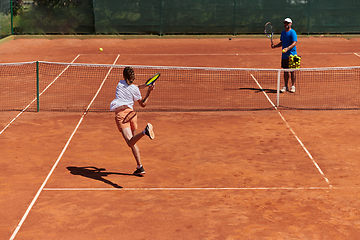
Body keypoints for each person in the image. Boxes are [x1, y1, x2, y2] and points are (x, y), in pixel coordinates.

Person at [110, 67, 155, 175]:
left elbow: (134, 87)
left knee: (130, 143)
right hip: (132, 115)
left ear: (124, 76)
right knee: (133, 142)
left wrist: (147, 88)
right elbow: (142, 103)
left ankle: (145, 132)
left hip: (122, 116)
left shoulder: (120, 83)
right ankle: (140, 167)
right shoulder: (135, 89)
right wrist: (148, 90)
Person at [271, 17, 298, 93]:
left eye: (287, 23)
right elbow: (282, 42)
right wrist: (275, 46)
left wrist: (287, 48)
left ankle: (293, 86)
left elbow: (295, 42)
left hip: (292, 55)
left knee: (292, 71)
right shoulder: (283, 33)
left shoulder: (293, 32)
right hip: (284, 56)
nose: (286, 24)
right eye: (285, 23)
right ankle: (285, 86)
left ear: (290, 24)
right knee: (285, 71)